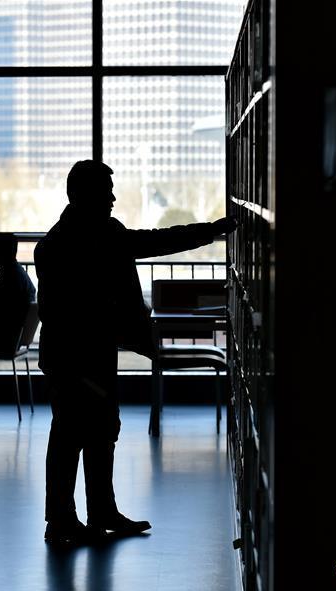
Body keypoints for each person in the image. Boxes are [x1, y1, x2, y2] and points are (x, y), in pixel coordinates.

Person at [35, 160, 237, 544]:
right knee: (73, 434)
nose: (112, 198)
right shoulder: (62, 246)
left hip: (87, 355)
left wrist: (209, 232)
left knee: (97, 431)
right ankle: (63, 518)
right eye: (105, 192)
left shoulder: (89, 236)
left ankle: (94, 513)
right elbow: (66, 310)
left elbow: (156, 240)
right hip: (75, 360)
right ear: (80, 195)